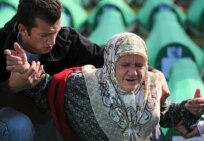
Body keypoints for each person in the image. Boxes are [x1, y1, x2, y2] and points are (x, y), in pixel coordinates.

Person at [0, 0, 170, 140]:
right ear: (22, 29)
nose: (52, 42)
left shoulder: (66, 40)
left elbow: (105, 58)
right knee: (19, 126)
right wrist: (11, 87)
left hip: (47, 119)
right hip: (9, 117)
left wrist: (154, 73)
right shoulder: (1, 42)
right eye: (45, 36)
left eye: (56, 32)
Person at [14, 32, 204, 141]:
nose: (133, 72)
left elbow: (162, 115)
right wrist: (25, 73)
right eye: (125, 65)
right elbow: (48, 90)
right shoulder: (83, 86)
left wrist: (186, 109)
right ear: (111, 63)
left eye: (139, 65)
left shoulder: (151, 83)